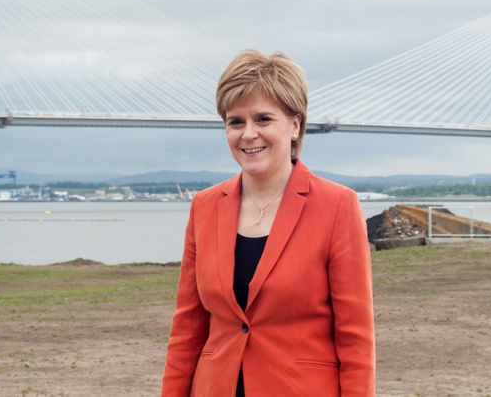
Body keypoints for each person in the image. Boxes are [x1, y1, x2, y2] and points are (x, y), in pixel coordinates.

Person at [160, 50, 375, 396]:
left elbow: (356, 338)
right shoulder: (204, 206)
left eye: (263, 119)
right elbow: (187, 329)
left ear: (295, 125)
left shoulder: (338, 205)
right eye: (235, 122)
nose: (248, 134)